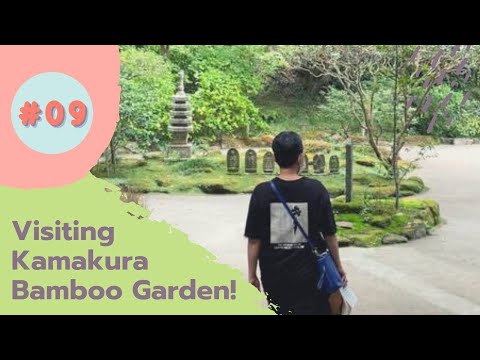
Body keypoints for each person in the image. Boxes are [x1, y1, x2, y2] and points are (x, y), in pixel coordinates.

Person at [244, 131, 347, 315]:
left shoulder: (262, 193)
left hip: (274, 275)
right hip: (311, 275)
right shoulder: (316, 190)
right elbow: (330, 234)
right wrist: (338, 266)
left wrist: (252, 274)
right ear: (300, 157)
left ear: (275, 157)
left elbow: (254, 240)